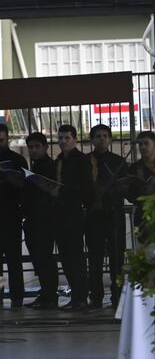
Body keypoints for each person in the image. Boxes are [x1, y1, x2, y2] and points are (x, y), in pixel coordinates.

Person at [85, 124, 128, 309]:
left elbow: (127, 187)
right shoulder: (86, 161)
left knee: (116, 258)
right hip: (94, 215)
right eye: (97, 136)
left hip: (114, 215)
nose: (101, 139)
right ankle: (95, 297)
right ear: (92, 140)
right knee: (94, 258)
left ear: (109, 139)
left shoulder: (119, 162)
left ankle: (117, 296)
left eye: (104, 135)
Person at [54, 124, 92, 311]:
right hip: (60, 214)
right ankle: (75, 295)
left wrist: (62, 190)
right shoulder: (59, 160)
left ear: (75, 140)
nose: (63, 141)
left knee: (76, 257)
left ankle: (81, 297)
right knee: (66, 257)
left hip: (74, 213)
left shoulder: (81, 160)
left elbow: (85, 187)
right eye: (60, 138)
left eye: (67, 138)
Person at [22, 133, 59, 310]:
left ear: (45, 147)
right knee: (38, 258)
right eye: (31, 147)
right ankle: (45, 293)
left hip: (45, 219)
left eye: (37, 146)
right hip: (32, 218)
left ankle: (50, 295)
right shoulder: (34, 167)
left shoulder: (51, 166)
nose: (34, 150)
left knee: (45, 258)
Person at [0, 124, 28, 308]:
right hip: (8, 212)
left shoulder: (17, 160)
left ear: (7, 138)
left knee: (14, 257)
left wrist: (15, 180)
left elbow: (27, 186)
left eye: (1, 140)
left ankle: (17, 296)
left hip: (10, 213)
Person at [125, 131, 155, 239]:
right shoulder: (134, 168)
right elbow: (129, 194)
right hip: (142, 215)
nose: (143, 147)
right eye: (140, 144)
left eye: (146, 143)